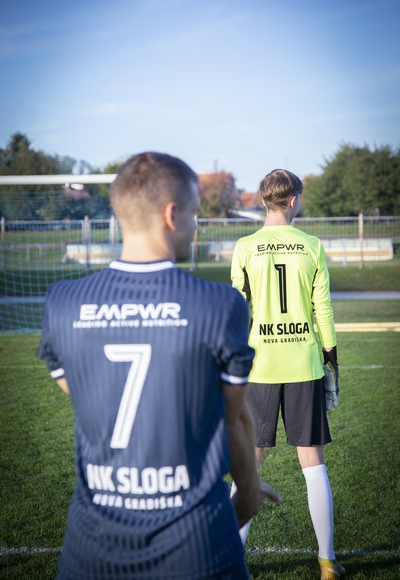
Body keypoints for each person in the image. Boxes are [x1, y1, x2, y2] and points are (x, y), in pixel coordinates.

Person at [38, 151, 281, 580]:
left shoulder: (62, 303)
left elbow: (88, 398)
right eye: (194, 213)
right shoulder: (219, 305)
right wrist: (246, 494)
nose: (196, 224)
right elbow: (235, 419)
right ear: (171, 215)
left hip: (91, 551)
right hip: (198, 547)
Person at [230, 169, 345, 580]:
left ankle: (230, 560)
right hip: (303, 364)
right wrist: (331, 356)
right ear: (293, 199)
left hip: (259, 366)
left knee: (249, 465)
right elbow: (323, 309)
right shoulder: (312, 245)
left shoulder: (245, 247)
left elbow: (236, 311)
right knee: (313, 464)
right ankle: (327, 562)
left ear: (264, 200)